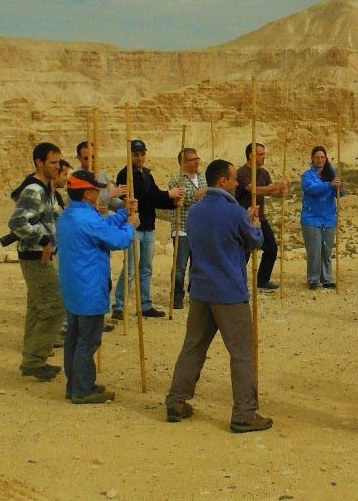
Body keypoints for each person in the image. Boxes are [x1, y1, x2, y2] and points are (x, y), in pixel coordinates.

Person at [163, 159, 272, 431]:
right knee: (243, 352)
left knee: (193, 347)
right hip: (229, 292)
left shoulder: (195, 212)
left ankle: (176, 401)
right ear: (223, 181)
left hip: (201, 289)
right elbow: (254, 241)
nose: (237, 182)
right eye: (234, 178)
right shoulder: (234, 212)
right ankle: (244, 413)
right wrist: (254, 224)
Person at [55, 170, 139, 403]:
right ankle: (83, 390)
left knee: (74, 339)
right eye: (96, 190)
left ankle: (75, 384)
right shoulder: (87, 219)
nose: (99, 194)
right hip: (89, 288)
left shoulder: (69, 216)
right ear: (88, 193)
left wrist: (122, 214)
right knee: (88, 340)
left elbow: (102, 228)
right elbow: (117, 240)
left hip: (73, 288)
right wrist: (131, 226)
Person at [7, 142, 66, 382]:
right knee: (55, 308)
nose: (57, 167)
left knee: (36, 308)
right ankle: (34, 359)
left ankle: (31, 356)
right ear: (39, 163)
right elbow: (17, 222)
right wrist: (43, 240)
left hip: (41, 256)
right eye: (53, 162)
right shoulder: (34, 190)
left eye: (58, 162)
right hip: (36, 256)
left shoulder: (45, 189)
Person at [112, 140, 183, 319]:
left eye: (142, 154)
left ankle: (145, 305)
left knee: (146, 268)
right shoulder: (125, 175)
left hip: (149, 227)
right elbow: (142, 198)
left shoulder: (146, 174)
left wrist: (172, 203)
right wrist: (168, 194)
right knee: (130, 269)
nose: (140, 158)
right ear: (130, 155)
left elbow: (155, 198)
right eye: (136, 155)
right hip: (134, 227)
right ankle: (119, 306)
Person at [236, 141, 287, 292]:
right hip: (244, 218)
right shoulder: (241, 173)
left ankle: (263, 279)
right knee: (244, 252)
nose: (264, 157)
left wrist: (281, 192)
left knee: (271, 248)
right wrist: (274, 187)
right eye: (261, 154)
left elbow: (271, 192)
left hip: (260, 218)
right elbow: (254, 190)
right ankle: (237, 281)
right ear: (251, 155)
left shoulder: (264, 173)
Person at [299, 145, 344, 290]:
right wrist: (329, 185)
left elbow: (338, 194)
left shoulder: (332, 174)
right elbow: (311, 189)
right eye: (317, 157)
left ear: (326, 158)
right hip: (311, 218)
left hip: (329, 218)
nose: (320, 160)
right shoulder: (307, 176)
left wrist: (340, 188)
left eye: (322, 157)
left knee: (327, 250)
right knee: (314, 250)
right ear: (312, 159)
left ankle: (327, 279)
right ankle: (313, 279)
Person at [166, 147, 205, 310]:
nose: (196, 162)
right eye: (192, 159)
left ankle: (195, 293)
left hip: (199, 228)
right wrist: (202, 194)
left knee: (197, 264)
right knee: (180, 266)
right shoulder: (177, 179)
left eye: (197, 158)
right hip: (182, 227)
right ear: (183, 163)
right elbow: (186, 197)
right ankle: (176, 296)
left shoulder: (201, 178)